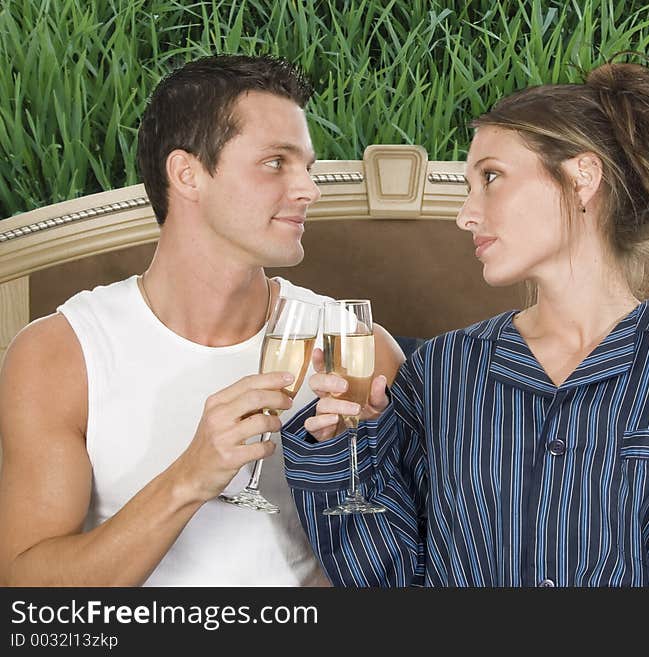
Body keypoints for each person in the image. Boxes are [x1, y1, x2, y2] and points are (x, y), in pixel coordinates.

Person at [281, 62, 649, 587]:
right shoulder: (441, 372)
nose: (466, 215)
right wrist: (345, 449)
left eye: (491, 178)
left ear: (581, 178)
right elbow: (383, 579)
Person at [0, 54, 405, 586]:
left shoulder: (356, 347)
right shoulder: (62, 354)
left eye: (307, 166)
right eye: (276, 162)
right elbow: (25, 591)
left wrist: (366, 466)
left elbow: (416, 566)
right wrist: (189, 478)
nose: (309, 189)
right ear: (187, 173)